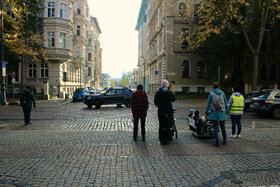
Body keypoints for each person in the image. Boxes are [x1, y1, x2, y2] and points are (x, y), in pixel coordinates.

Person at [205, 82, 229, 146]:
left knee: (215, 127)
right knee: (223, 127)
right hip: (222, 111)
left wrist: (207, 112)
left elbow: (208, 104)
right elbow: (225, 103)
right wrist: (227, 111)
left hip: (214, 112)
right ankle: (224, 140)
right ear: (219, 87)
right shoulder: (223, 93)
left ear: (213, 87)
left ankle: (217, 142)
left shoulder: (211, 93)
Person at [154, 79, 176, 145]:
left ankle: (161, 139)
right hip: (168, 112)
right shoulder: (169, 92)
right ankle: (167, 139)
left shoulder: (158, 92)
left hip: (161, 112)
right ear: (167, 85)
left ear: (162, 85)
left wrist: (160, 106)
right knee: (168, 126)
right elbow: (173, 99)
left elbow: (155, 102)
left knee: (161, 125)